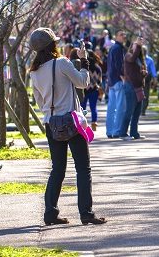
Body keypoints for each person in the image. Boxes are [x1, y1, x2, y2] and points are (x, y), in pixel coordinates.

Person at [27, 27, 105, 226]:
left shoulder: (34, 72)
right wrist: (84, 61)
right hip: (71, 122)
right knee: (83, 169)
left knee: (57, 169)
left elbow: (38, 102)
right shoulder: (62, 63)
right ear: (53, 45)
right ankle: (86, 213)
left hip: (51, 124)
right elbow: (82, 82)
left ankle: (50, 213)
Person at [121, 36, 147, 140]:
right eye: (136, 45)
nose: (138, 48)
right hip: (130, 86)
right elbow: (132, 58)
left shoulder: (139, 59)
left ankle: (134, 133)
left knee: (137, 111)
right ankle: (123, 133)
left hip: (139, 86)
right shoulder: (128, 55)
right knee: (129, 110)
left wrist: (144, 73)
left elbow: (139, 71)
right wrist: (137, 45)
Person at [105, 30, 128, 138]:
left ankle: (110, 131)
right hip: (118, 80)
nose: (124, 36)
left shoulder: (112, 48)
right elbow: (119, 65)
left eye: (124, 35)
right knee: (120, 107)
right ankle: (117, 131)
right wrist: (123, 76)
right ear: (116, 37)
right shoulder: (118, 48)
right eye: (121, 35)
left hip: (111, 80)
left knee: (111, 107)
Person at [81, 45, 103, 132]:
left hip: (84, 90)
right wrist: (95, 84)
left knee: (83, 107)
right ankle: (94, 123)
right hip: (94, 90)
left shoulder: (84, 67)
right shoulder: (98, 68)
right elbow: (100, 80)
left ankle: (82, 123)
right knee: (93, 107)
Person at [142, 45, 157, 115]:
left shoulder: (150, 60)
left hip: (147, 78)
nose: (143, 52)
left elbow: (153, 70)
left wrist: (155, 79)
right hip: (138, 78)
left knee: (146, 94)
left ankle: (143, 109)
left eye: (144, 51)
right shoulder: (136, 58)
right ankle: (138, 109)